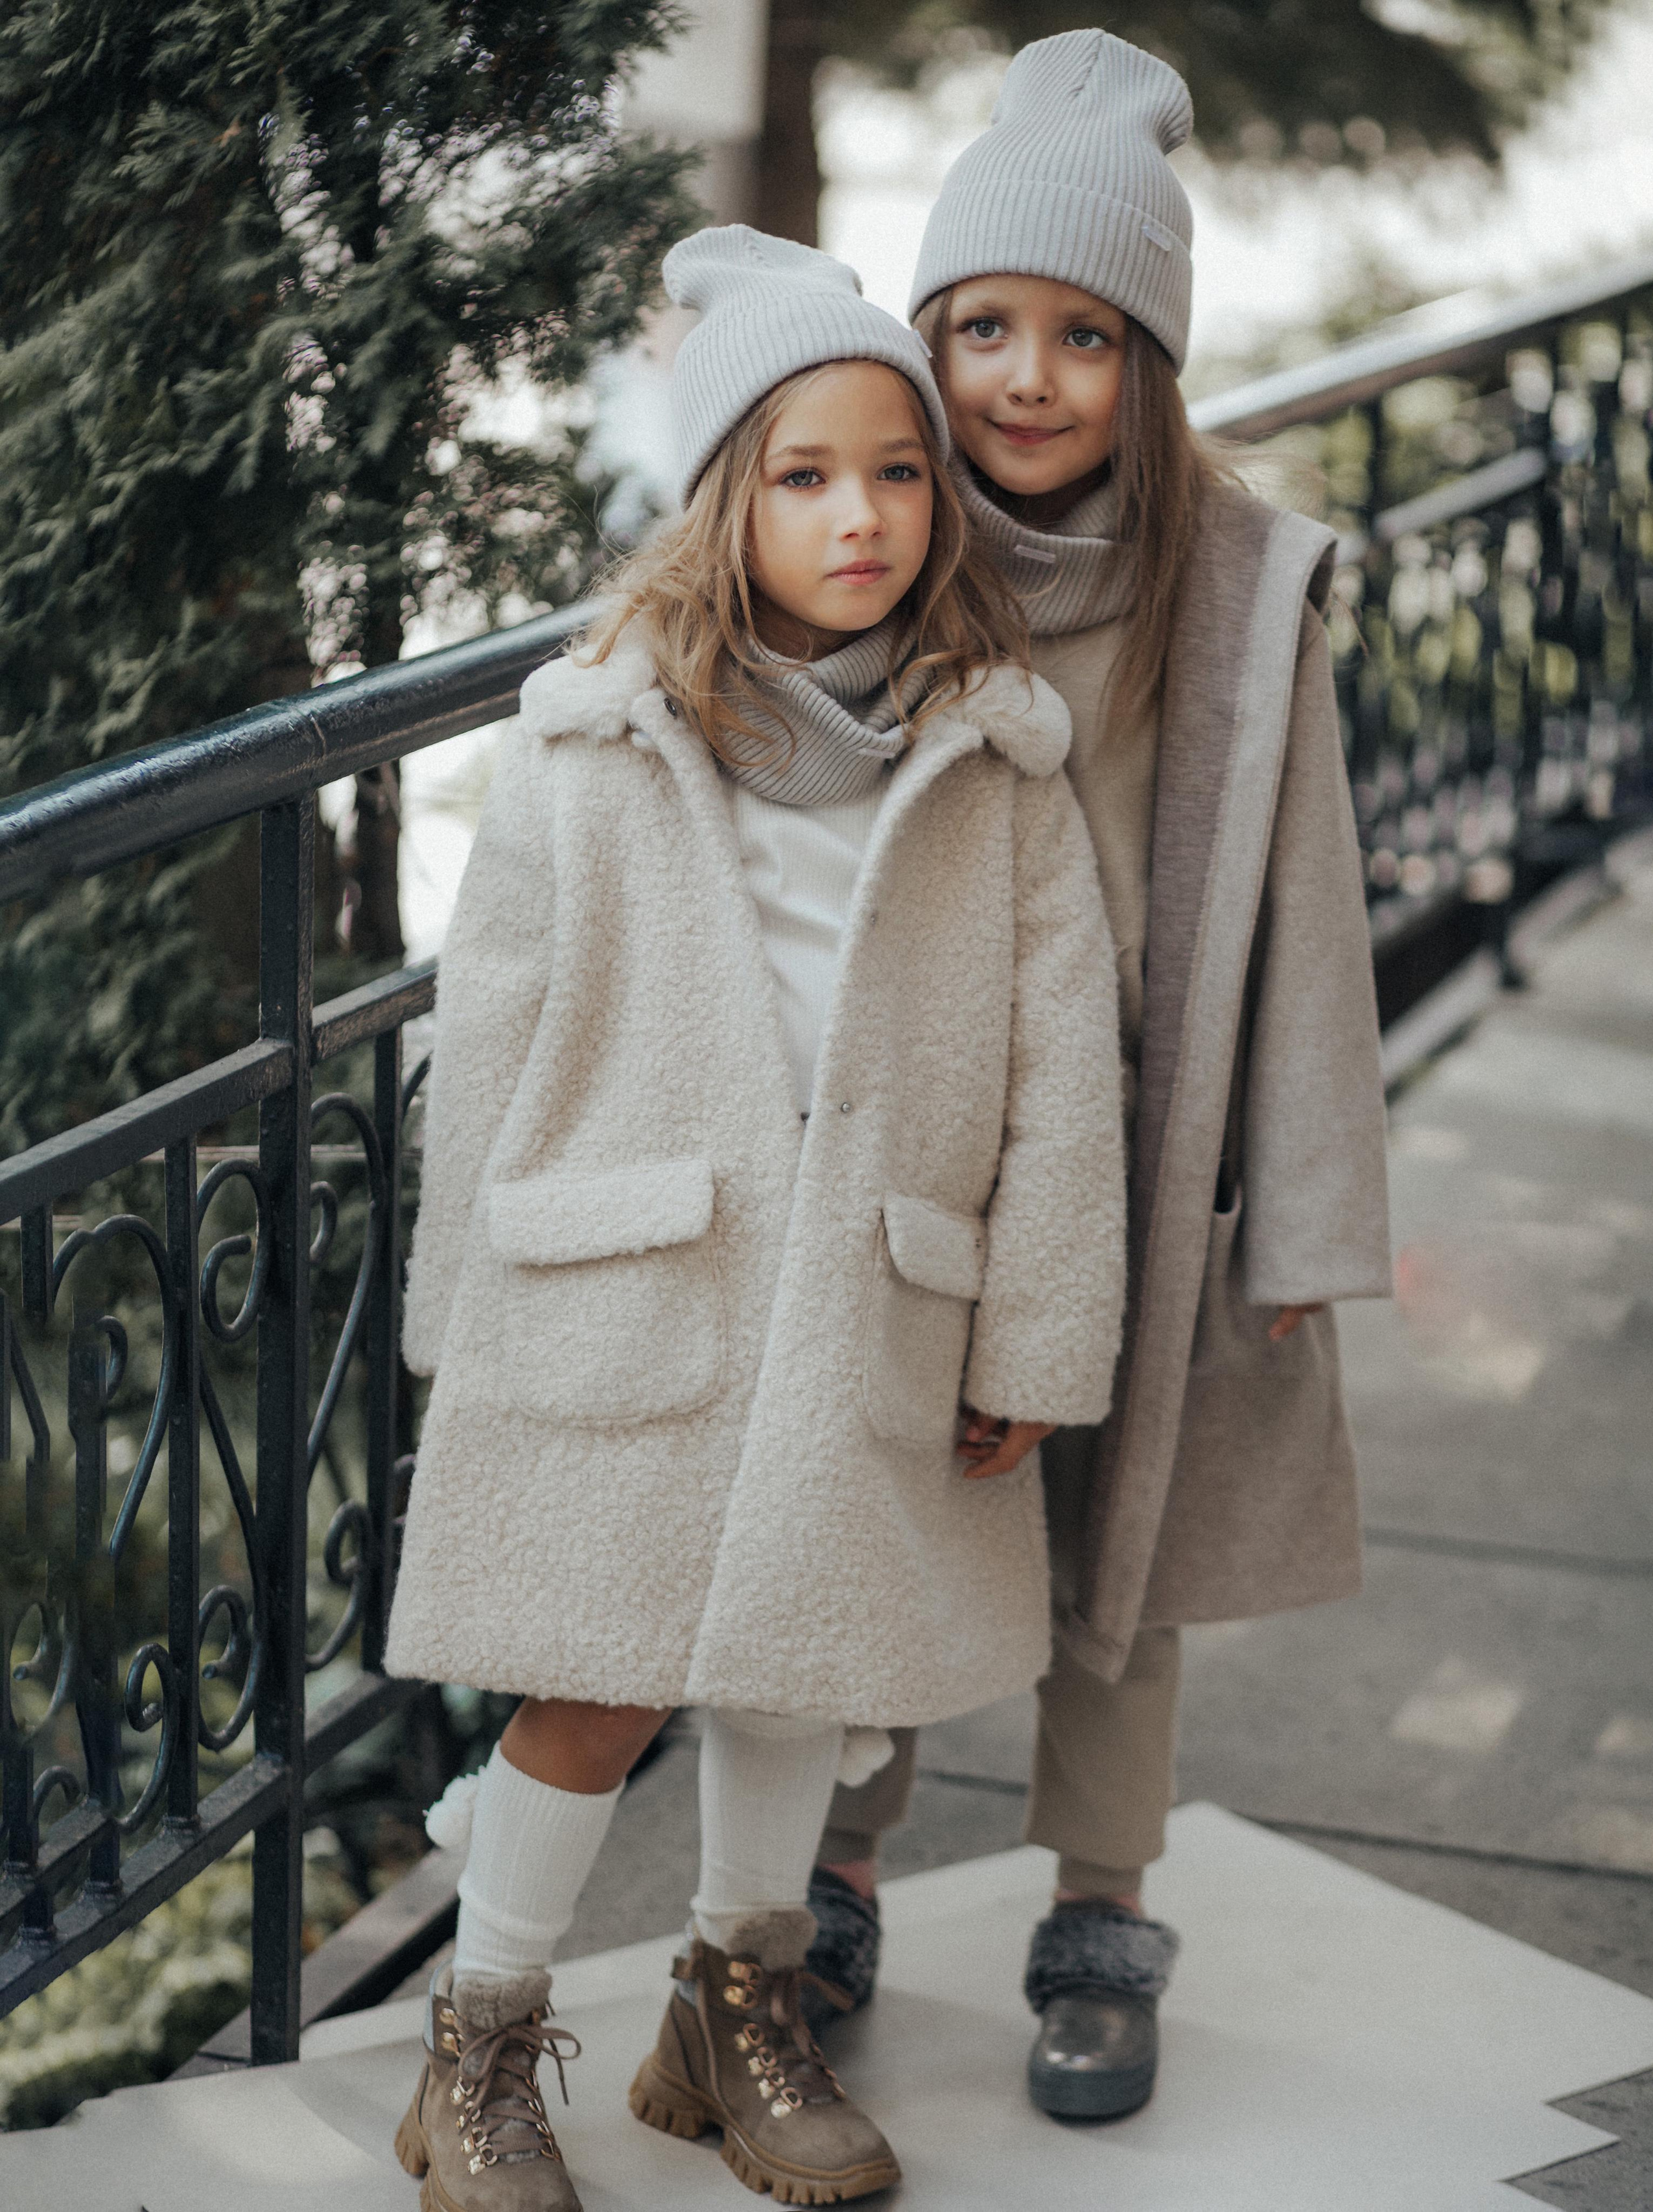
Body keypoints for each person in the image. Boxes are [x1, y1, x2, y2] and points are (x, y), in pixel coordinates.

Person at [382, 224, 1129, 2210]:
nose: (860, 516)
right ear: (728, 497)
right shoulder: (596, 742)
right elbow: (495, 1032)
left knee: (805, 1660)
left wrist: (1038, 1333)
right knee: (593, 1677)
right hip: (635, 1285)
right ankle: (479, 2042)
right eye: (805, 476)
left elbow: (1062, 1073)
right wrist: (467, 1320)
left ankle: (733, 2005)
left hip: (876, 1291)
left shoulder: (990, 756)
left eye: (897, 473)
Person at [804, 30, 1394, 2125]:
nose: (1029, 379)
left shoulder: (1234, 587)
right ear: (926, 338)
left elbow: (1308, 902)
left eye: (1085, 335)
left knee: (1117, 1552)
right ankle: (831, 1868)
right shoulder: (880, 540)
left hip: (1148, 1150)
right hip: (926, 1142)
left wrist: (1302, 1212)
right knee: (880, 1496)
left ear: (1149, 358)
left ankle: (1100, 1910)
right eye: (983, 329)